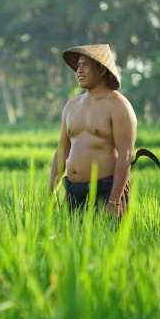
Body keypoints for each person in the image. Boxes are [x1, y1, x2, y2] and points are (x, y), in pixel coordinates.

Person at [48, 44, 137, 217]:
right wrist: (50, 195)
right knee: (71, 244)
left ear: (102, 70)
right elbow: (62, 152)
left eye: (85, 65)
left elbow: (125, 156)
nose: (79, 71)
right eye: (78, 66)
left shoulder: (119, 106)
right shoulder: (71, 106)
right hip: (74, 194)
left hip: (106, 194)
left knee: (104, 243)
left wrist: (114, 201)